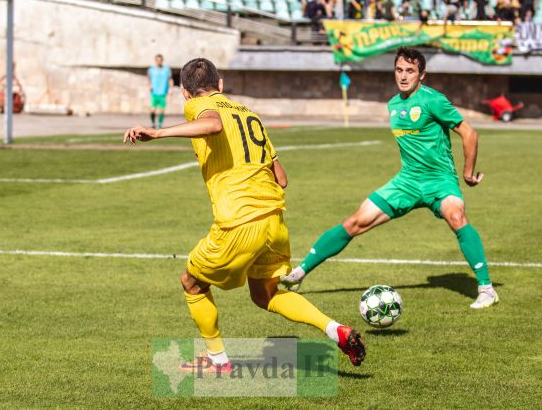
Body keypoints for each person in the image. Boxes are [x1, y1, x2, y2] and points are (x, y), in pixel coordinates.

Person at [123, 58, 366, 373]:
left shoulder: (198, 106)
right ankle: (336, 330)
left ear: (184, 92)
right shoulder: (251, 115)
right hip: (273, 221)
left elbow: (213, 124)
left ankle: (217, 361)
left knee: (192, 283)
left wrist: (157, 133)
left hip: (240, 220)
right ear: (221, 83)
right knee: (265, 295)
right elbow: (282, 178)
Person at [280, 47, 499, 310]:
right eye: (399, 70)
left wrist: (467, 173)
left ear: (422, 75)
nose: (403, 76)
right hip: (407, 181)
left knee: (456, 217)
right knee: (355, 222)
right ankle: (300, 274)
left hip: (439, 180)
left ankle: (486, 289)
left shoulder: (434, 100)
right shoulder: (394, 104)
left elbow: (469, 133)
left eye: (410, 71)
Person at [147, 54, 173, 129]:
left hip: (162, 93)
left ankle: (160, 124)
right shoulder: (151, 70)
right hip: (154, 93)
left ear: (162, 60)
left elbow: (170, 79)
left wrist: (171, 88)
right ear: (155, 61)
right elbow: (148, 79)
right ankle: (153, 123)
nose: (159, 61)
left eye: (160, 60)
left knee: (162, 110)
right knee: (152, 110)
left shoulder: (167, 69)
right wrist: (149, 86)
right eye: (157, 60)